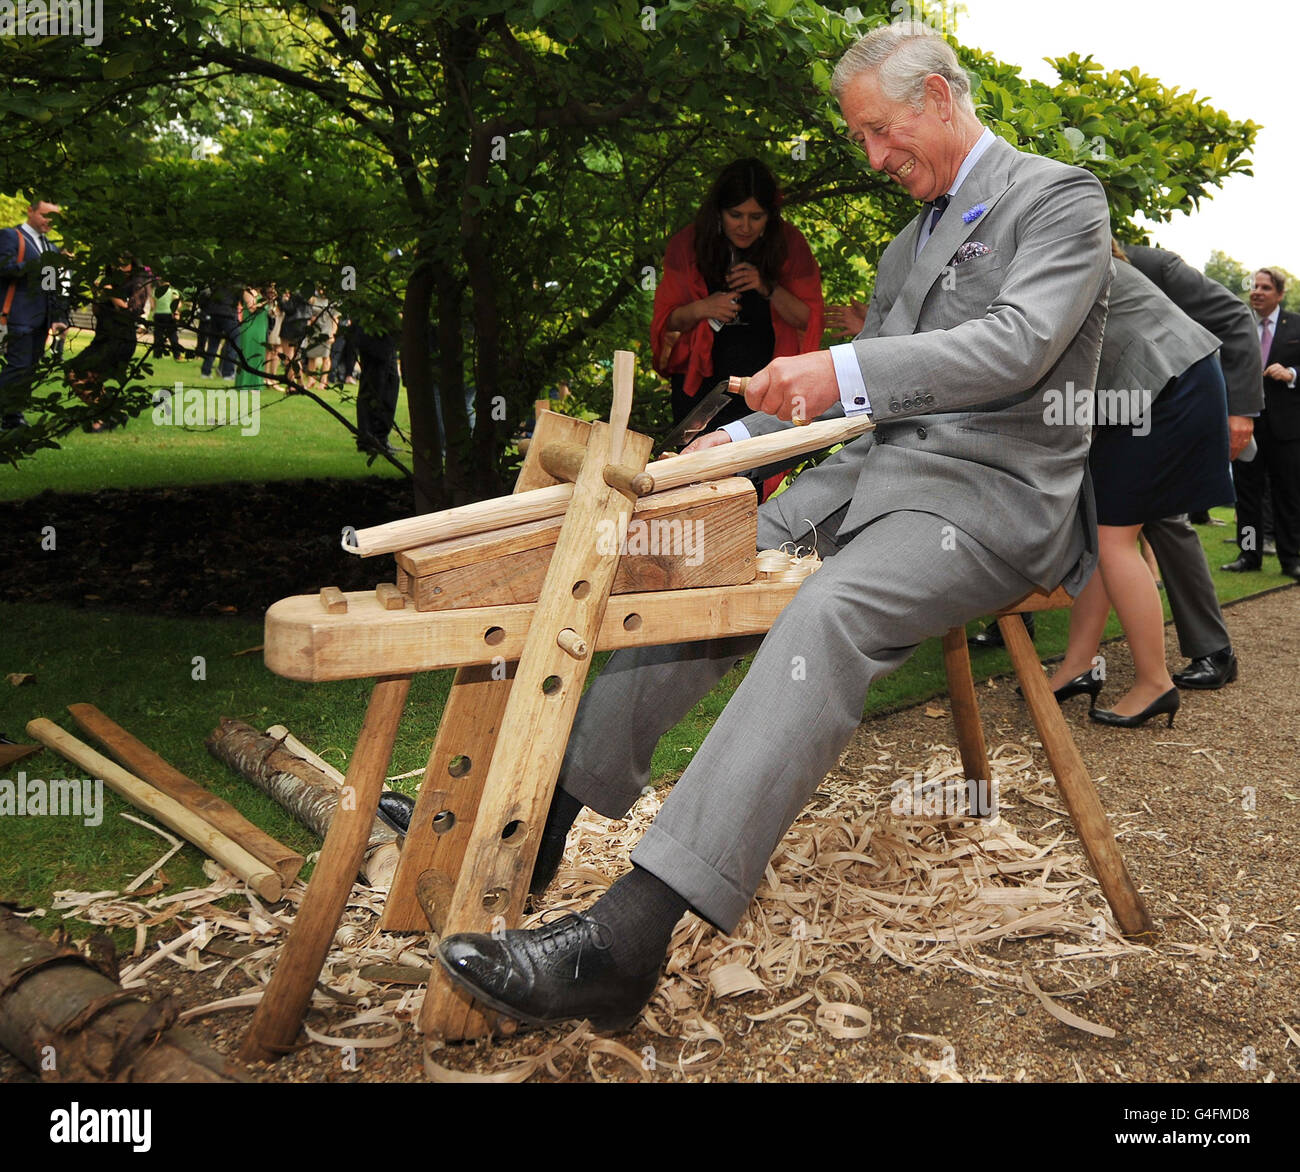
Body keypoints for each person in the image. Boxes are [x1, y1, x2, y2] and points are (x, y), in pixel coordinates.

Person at [434, 22, 1114, 1032]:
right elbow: (850, 405)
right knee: (692, 574)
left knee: (825, 612)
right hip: (871, 477)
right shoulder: (909, 239)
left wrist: (837, 369)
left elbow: (1014, 348)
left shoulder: (1056, 198)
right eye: (860, 141)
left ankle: (627, 937)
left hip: (988, 501)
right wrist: (740, 439)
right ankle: (542, 833)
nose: (874, 159)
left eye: (882, 132)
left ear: (935, 96)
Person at [1044, 253, 1232, 727]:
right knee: (1100, 533)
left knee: (1112, 539)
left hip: (1164, 387)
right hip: (1155, 389)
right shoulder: (1074, 253)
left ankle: (1154, 682)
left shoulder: (1061, 256)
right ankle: (1078, 666)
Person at [1122, 243, 1263, 689]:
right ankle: (1039, 637)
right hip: (1104, 414)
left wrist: (1240, 410)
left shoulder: (1152, 265)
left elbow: (1235, 319)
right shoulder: (1047, 269)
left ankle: (1212, 650)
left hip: (1171, 411)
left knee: (1165, 519)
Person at [651, 157, 824, 434]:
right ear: (718, 212)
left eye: (756, 217)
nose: (745, 226)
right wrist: (703, 308)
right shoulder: (687, 245)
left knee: (754, 468)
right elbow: (667, 321)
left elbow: (809, 318)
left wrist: (767, 287)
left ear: (770, 216)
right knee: (695, 467)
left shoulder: (789, 245)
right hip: (699, 386)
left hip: (763, 385)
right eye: (736, 215)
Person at [1223, 268, 1300, 579]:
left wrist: (1293, 373)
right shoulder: (1237, 325)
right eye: (1254, 286)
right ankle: (1249, 554)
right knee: (1248, 495)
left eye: (1265, 287)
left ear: (1279, 294)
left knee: (1288, 495)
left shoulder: (1296, 324)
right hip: (1246, 425)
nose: (1257, 292)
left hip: (1286, 427)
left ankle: (1291, 560)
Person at [0, 199, 69, 430]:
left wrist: (59, 316)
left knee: (29, 369)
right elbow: (4, 269)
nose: (49, 221)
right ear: (30, 211)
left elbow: (52, 286)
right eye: (44, 214)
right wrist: (36, 265)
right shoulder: (11, 236)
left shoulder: (51, 248)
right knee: (17, 366)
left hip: (41, 320)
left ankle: (13, 415)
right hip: (18, 314)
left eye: (54, 217)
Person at [68, 255, 151, 424]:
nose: (117, 265)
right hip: (103, 337)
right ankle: (111, 413)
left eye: (122, 260)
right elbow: (99, 313)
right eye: (114, 260)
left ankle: (105, 416)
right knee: (76, 372)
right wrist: (97, 294)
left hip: (120, 340)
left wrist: (110, 293)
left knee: (81, 372)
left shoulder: (138, 282)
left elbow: (131, 312)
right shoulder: (111, 281)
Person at [234, 286, 270, 391]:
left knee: (259, 354)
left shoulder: (262, 294)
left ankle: (256, 384)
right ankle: (245, 383)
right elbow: (252, 308)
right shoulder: (247, 292)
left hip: (261, 327)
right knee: (248, 353)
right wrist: (266, 302)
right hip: (251, 327)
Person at [151, 278, 185, 360]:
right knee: (173, 335)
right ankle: (177, 355)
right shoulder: (173, 291)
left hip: (158, 314)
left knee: (158, 336)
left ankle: (157, 355)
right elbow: (178, 304)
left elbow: (153, 304)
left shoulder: (156, 291)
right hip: (169, 315)